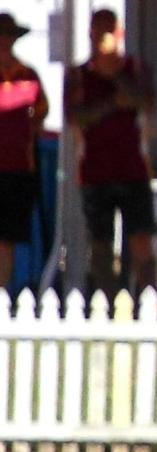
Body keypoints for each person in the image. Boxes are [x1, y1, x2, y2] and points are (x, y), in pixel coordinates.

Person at [65, 8, 157, 298]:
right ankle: (106, 300)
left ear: (118, 35)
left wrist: (115, 74)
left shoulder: (135, 69)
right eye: (98, 31)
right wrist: (111, 104)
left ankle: (149, 298)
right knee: (101, 244)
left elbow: (145, 101)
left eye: (109, 31)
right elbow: (74, 117)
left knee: (141, 239)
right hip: (95, 171)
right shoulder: (78, 75)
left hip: (133, 169)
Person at [0, 13, 47, 291]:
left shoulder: (27, 74)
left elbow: (40, 110)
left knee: (7, 237)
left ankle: (1, 293)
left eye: (9, 36)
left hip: (17, 166)